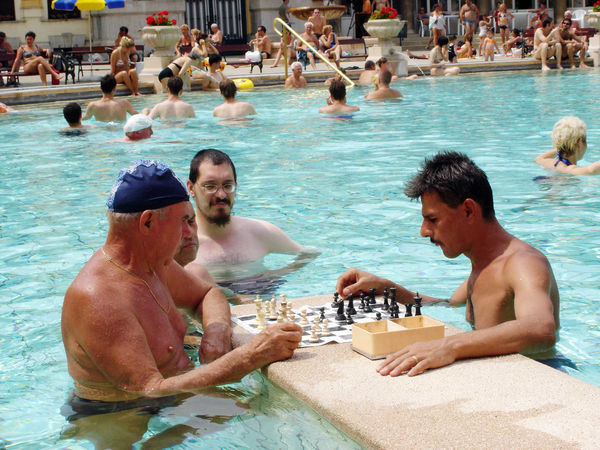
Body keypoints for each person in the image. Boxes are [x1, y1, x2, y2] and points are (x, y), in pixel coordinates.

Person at [61, 158, 302, 418]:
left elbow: (206, 294)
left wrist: (216, 332)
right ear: (148, 222)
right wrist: (250, 356)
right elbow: (149, 389)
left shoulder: (152, 264)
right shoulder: (99, 298)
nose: (189, 233)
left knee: (275, 413)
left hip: (174, 396)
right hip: (117, 416)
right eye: (183, 222)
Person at [336, 151, 559, 377]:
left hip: (538, 379)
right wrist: (385, 287)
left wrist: (449, 346)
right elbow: (447, 304)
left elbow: (540, 327)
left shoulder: (523, 263)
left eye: (432, 219)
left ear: (468, 210)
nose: (423, 232)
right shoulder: (483, 265)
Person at [186, 149, 314, 269]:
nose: (221, 194)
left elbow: (309, 255)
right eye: (210, 186)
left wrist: (273, 278)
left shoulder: (260, 232)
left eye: (227, 185)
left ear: (236, 186)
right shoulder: (181, 243)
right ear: (191, 188)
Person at [534, 116, 600, 175]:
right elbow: (591, 170)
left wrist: (563, 145)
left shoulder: (550, 163)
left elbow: (538, 159)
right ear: (579, 142)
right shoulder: (568, 169)